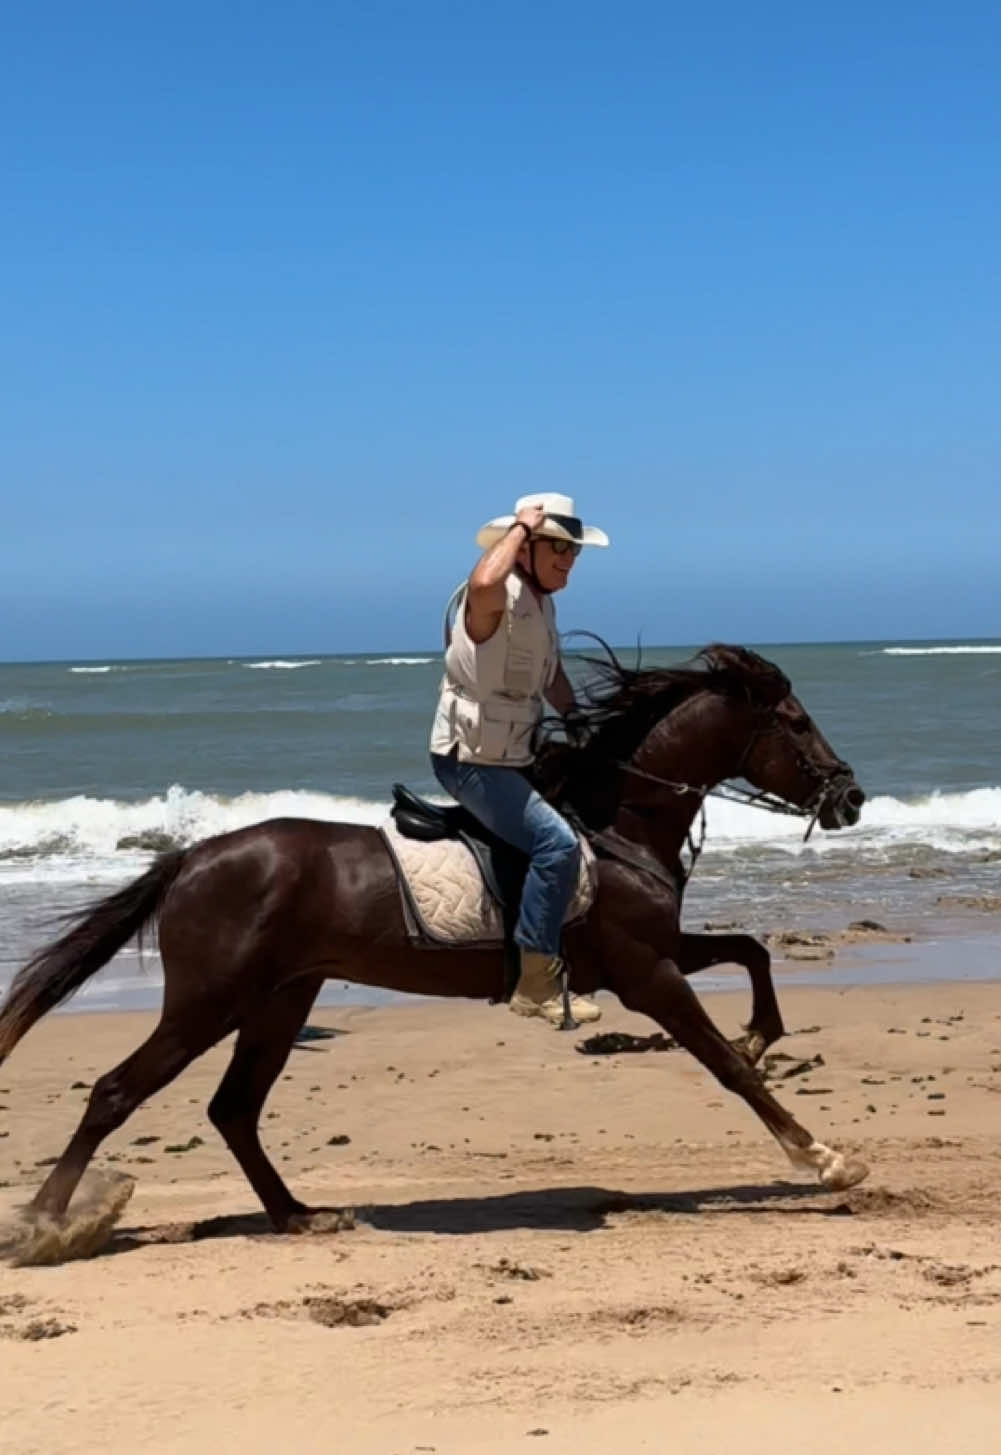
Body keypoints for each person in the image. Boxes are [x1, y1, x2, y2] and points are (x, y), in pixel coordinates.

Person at [429, 492, 609, 1026]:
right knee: (555, 845)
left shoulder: (541, 603)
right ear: (525, 548)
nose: (570, 561)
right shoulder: (490, 595)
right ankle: (535, 982)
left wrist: (578, 720)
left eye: (574, 552)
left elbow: (547, 674)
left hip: (514, 752)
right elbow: (485, 581)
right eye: (559, 548)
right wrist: (519, 529)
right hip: (471, 761)